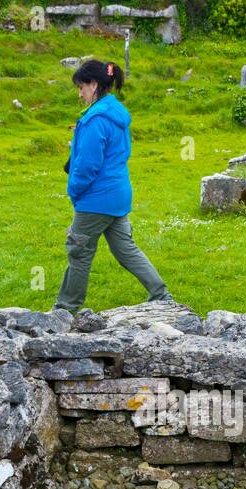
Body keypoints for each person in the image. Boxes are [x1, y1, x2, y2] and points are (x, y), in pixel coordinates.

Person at [55, 59, 171, 313]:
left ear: (94, 84)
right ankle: (161, 295)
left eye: (81, 87)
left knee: (79, 251)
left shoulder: (95, 120)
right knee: (126, 250)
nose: (80, 93)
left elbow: (88, 166)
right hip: (118, 195)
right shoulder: (117, 114)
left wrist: (74, 190)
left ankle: (64, 310)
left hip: (95, 199)